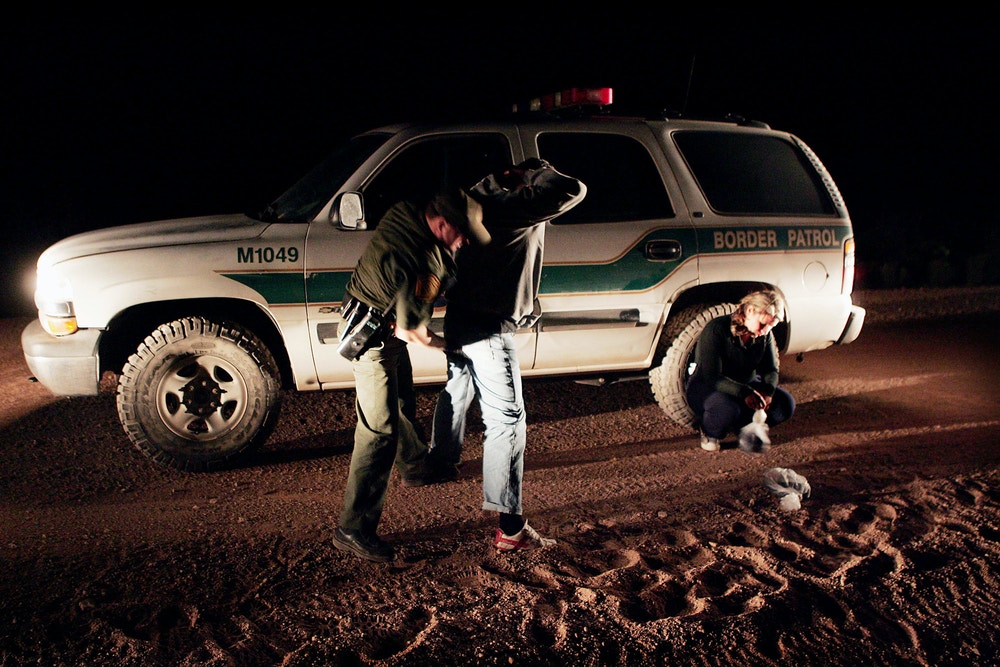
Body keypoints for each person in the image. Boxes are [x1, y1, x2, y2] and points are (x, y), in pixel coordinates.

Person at [428, 158, 586, 552]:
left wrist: (499, 179)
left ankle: (438, 462)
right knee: (507, 422)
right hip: (490, 326)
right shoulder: (516, 209)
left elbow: (482, 192)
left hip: (461, 317)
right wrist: (537, 169)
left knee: (457, 391)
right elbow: (571, 189)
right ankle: (510, 529)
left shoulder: (478, 203)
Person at [333, 187, 491, 563]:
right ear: (440, 224)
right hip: (372, 340)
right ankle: (353, 528)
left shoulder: (403, 209)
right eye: (462, 233)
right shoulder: (427, 263)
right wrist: (453, 346)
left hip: (372, 318)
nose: (466, 240)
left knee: (401, 400)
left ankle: (416, 466)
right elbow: (412, 332)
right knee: (378, 431)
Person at [685, 290, 795, 452]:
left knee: (785, 404)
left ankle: (741, 426)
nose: (765, 330)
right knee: (727, 409)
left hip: (746, 385)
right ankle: (710, 431)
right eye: (763, 324)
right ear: (749, 311)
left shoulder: (764, 335)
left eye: (770, 326)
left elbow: (770, 369)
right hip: (709, 387)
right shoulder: (717, 329)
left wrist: (768, 391)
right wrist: (745, 393)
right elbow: (711, 376)